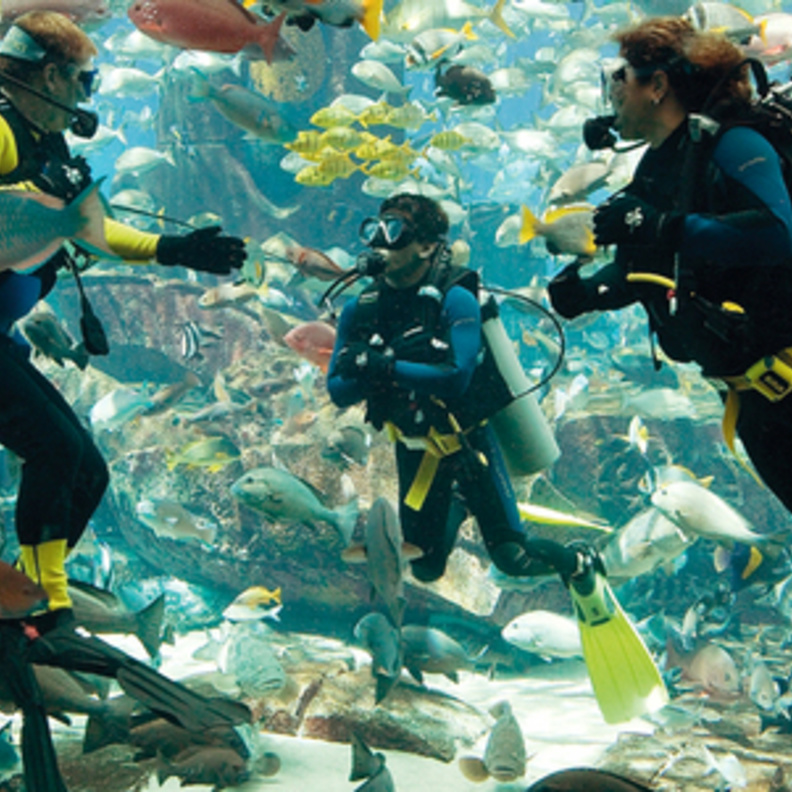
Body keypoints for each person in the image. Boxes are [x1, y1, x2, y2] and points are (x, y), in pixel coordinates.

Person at [0, 12, 249, 790]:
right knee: (58, 450)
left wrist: (179, 249)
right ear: (49, 77)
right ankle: (45, 608)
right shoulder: (4, 136)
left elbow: (92, 230)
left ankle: (32, 598)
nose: (88, 95)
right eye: (84, 80)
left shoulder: (48, 148)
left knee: (90, 473)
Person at [327, 193, 667, 725]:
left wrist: (382, 365)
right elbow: (340, 390)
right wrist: (373, 367)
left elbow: (457, 375)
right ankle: (459, 508)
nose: (379, 243)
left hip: (467, 447)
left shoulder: (455, 299)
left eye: (395, 232)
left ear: (427, 246)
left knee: (512, 558)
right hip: (413, 450)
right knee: (425, 562)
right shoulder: (361, 307)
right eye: (377, 228)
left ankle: (575, 560)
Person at [548, 17, 792, 514]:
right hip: (753, 399)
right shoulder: (656, 169)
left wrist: (663, 227)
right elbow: (644, 269)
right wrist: (590, 292)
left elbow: (777, 233)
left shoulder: (734, 143)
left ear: (657, 85)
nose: (611, 93)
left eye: (619, 77)